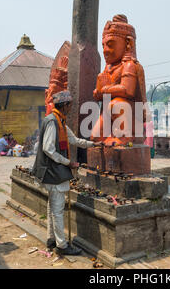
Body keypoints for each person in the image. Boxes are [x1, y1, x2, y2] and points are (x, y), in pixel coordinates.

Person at [32, 90, 101, 256]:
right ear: (64, 105)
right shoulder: (52, 122)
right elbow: (48, 149)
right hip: (53, 172)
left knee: (52, 208)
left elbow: (75, 140)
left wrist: (95, 144)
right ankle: (62, 245)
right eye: (69, 104)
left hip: (53, 172)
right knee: (57, 210)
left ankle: (51, 239)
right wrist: (68, 162)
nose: (71, 107)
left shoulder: (60, 122)